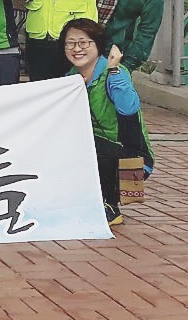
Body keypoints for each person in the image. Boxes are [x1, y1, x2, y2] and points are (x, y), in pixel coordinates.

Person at [61, 17, 154, 226]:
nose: (77, 49)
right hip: (98, 151)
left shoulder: (115, 73)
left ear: (98, 45)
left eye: (84, 42)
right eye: (70, 43)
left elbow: (129, 109)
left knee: (88, 146)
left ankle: (109, 206)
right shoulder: (71, 78)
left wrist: (113, 69)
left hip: (132, 162)